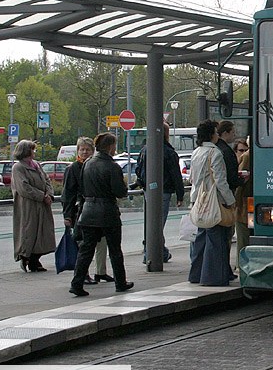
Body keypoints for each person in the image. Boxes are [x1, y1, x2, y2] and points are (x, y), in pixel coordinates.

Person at [69, 133, 133, 296]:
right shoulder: (112, 167)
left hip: (88, 211)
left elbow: (82, 188)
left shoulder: (88, 163)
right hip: (107, 212)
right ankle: (120, 282)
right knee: (115, 249)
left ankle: (77, 283)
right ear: (110, 147)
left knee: (86, 249)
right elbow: (120, 192)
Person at [188, 119, 236, 286]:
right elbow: (220, 181)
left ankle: (196, 274)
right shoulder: (215, 153)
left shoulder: (196, 152)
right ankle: (213, 277)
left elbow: (193, 179)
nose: (217, 135)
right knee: (217, 239)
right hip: (214, 200)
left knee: (201, 237)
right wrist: (230, 200)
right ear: (211, 135)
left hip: (198, 199)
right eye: (216, 132)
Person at [61, 136, 110, 285]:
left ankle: (100, 271)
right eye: (82, 149)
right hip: (79, 210)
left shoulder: (94, 166)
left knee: (101, 242)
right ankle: (84, 274)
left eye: (87, 150)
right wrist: (67, 215)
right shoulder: (73, 168)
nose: (84, 152)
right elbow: (67, 193)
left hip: (95, 209)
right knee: (84, 244)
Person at [136, 123, 185, 264]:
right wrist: (180, 195)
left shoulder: (145, 150)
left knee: (151, 222)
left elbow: (139, 170)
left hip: (148, 191)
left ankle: (156, 251)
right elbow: (176, 175)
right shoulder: (169, 152)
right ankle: (152, 252)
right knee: (158, 223)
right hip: (164, 191)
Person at [11, 140, 56, 272]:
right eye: (32, 149)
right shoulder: (18, 168)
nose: (34, 152)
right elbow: (23, 187)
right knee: (28, 231)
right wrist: (42, 196)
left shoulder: (36, 165)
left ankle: (35, 259)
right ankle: (26, 257)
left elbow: (46, 179)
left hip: (42, 205)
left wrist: (49, 194)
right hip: (28, 206)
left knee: (44, 232)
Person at [233, 137, 252, 267]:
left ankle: (241, 265)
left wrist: (235, 202)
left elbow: (240, 185)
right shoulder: (249, 156)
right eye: (240, 150)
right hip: (247, 201)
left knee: (243, 236)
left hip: (244, 202)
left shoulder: (246, 157)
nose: (243, 152)